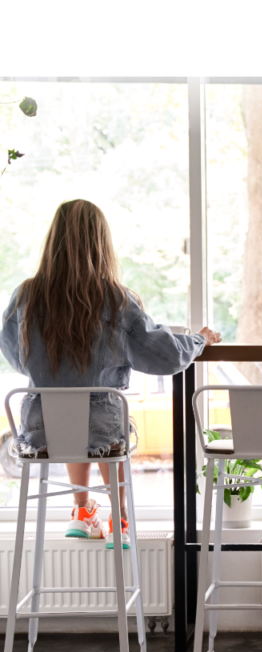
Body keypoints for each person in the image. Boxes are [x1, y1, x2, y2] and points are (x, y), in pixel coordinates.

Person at [0, 199, 222, 548]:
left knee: (69, 407)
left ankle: (82, 512)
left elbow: (15, 355)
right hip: (101, 429)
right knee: (99, 418)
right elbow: (163, 356)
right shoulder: (116, 300)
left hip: (41, 429)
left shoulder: (26, 295)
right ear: (101, 243)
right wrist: (199, 339)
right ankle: (120, 521)